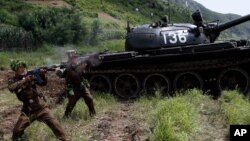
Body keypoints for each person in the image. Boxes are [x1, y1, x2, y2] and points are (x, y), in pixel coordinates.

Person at [8, 60, 68, 141]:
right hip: (28, 110)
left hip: (40, 107)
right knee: (16, 131)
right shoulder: (13, 80)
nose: (22, 69)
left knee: (56, 125)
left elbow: (43, 84)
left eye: (23, 67)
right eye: (20, 68)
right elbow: (11, 87)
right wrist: (25, 80)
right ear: (15, 70)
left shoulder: (30, 75)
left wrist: (42, 75)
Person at [56, 50, 96, 118]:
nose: (76, 58)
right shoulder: (69, 65)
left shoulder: (78, 63)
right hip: (74, 88)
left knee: (89, 99)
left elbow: (85, 72)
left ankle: (93, 114)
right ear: (70, 57)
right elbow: (74, 75)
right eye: (74, 57)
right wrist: (81, 67)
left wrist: (88, 64)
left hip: (82, 86)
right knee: (71, 103)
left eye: (76, 56)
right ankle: (66, 116)